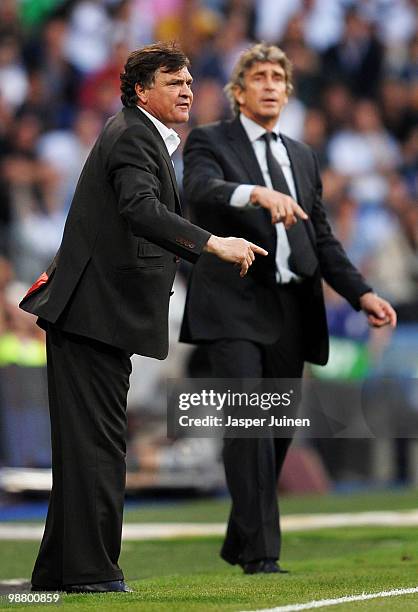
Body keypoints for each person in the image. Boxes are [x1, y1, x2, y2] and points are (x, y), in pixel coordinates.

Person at [19, 42, 267, 593]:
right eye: (173, 82)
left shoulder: (139, 134)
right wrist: (211, 244)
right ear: (139, 90)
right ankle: (91, 574)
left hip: (92, 316)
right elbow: (139, 209)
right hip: (93, 316)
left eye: (188, 82)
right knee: (98, 448)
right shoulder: (133, 134)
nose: (186, 91)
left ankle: (62, 569)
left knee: (87, 446)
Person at [179, 43, 396, 575]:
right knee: (250, 424)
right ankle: (260, 555)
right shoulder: (210, 140)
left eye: (279, 76)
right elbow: (201, 192)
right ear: (238, 91)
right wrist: (254, 193)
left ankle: (242, 533)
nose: (271, 84)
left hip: (290, 308)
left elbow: (322, 238)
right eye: (259, 76)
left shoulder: (302, 155)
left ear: (288, 89)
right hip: (232, 301)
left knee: (275, 433)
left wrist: (361, 292)